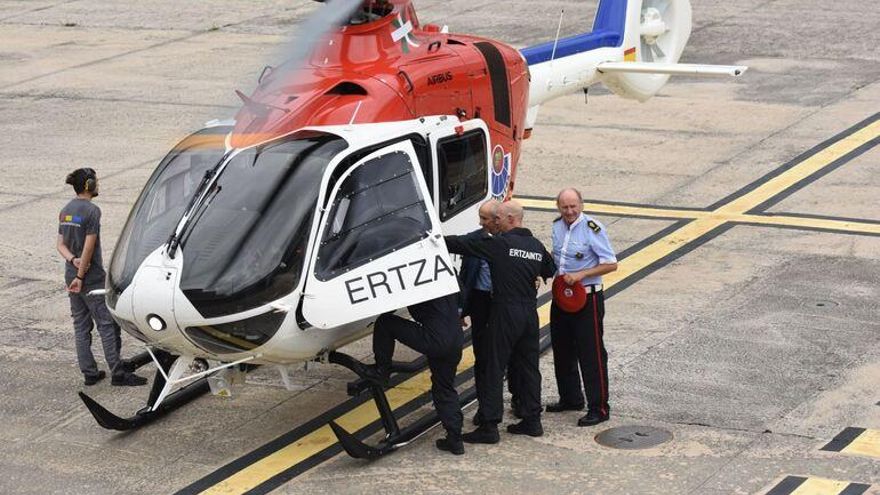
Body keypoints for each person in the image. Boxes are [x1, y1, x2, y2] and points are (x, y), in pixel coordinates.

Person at [445, 201, 556, 443]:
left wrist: (435, 239)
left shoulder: (500, 245)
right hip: (529, 312)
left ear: (511, 219)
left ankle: (489, 425)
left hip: (504, 311)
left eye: (499, 219)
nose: (495, 222)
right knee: (528, 367)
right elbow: (550, 269)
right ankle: (532, 420)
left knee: (492, 367)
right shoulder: (536, 245)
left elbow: (461, 244)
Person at [57, 168, 147, 387]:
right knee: (107, 324)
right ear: (88, 185)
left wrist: (72, 262)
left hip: (71, 275)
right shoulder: (92, 211)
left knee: (80, 325)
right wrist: (81, 273)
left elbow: (60, 245)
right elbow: (89, 246)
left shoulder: (66, 210)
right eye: (95, 181)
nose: (98, 184)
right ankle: (117, 372)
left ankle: (89, 372)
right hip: (91, 279)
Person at [547, 188, 618, 426]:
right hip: (562, 297)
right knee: (562, 348)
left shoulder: (592, 229)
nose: (569, 211)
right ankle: (570, 397)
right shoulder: (556, 227)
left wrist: (582, 274)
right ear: (558, 208)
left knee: (592, 353)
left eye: (573, 207)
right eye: (565, 207)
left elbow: (610, 264)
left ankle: (599, 407)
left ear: (581, 205)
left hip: (587, 298)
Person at [370, 293, 466, 455]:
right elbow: (462, 292)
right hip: (455, 337)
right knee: (444, 387)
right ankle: (455, 438)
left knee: (385, 323)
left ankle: (382, 371)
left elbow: (392, 300)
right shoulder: (442, 273)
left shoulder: (414, 277)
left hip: (435, 339)